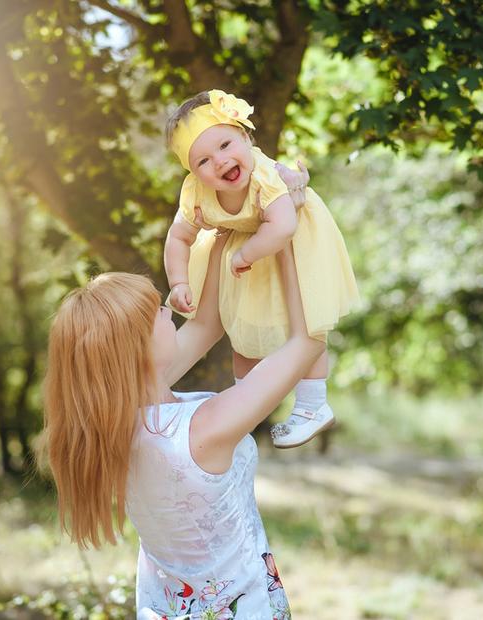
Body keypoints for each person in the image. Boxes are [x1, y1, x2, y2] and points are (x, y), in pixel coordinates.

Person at [43, 228, 321, 619]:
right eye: (156, 312)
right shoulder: (202, 429)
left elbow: (207, 324)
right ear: (139, 348)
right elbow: (308, 340)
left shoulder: (116, 421)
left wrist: (225, 238)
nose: (168, 312)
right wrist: (287, 241)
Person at [163, 89, 359, 448]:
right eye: (203, 161)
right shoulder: (195, 193)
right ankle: (245, 407)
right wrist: (178, 281)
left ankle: (313, 406)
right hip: (247, 253)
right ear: (193, 174)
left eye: (225, 145)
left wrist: (246, 254)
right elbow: (179, 237)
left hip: (292, 238)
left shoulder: (267, 176)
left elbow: (283, 226)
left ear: (246, 136)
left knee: (308, 325)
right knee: (244, 335)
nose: (219, 161)